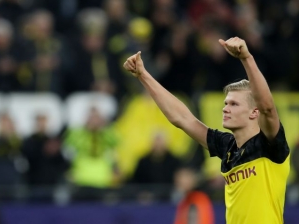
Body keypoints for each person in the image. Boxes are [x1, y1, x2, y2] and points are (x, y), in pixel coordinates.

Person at [123, 36, 290, 223]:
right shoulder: (228, 147)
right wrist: (143, 75)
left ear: (254, 112)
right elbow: (183, 119)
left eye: (234, 104)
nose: (225, 108)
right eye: (226, 103)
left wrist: (246, 58)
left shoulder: (270, 145)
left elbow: (267, 108)